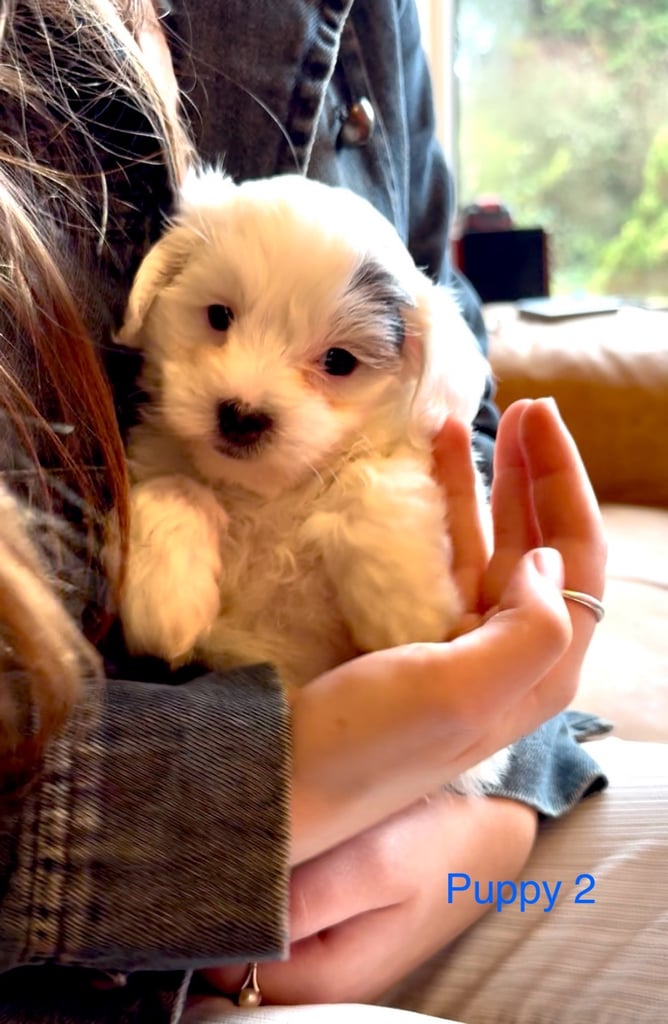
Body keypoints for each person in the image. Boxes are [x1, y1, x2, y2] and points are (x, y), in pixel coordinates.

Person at [0, 2, 665, 1023]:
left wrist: (495, 784)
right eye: (219, 320)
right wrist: (267, 802)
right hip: (94, 953)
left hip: (425, 833)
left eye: (336, 363)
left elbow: (455, 409)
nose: (247, 393)